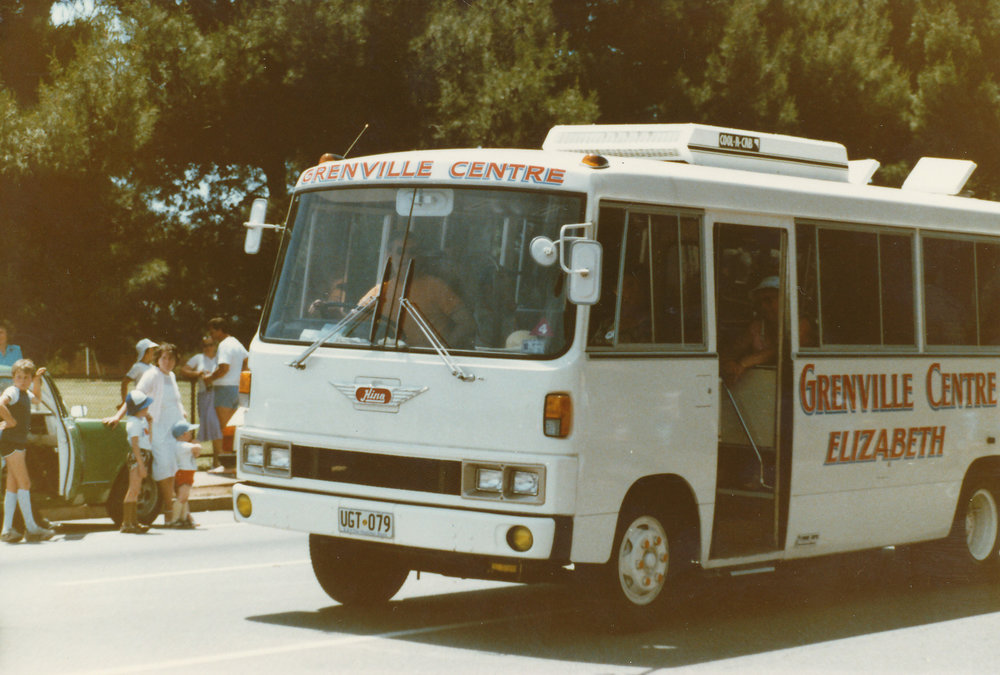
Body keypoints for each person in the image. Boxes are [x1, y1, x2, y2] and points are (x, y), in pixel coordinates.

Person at [106, 343, 187, 526]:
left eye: (171, 358)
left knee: (176, 468)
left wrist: (183, 415)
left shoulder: (172, 376)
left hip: (173, 429)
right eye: (164, 358)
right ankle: (169, 511)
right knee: (164, 468)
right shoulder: (152, 375)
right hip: (157, 429)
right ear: (158, 359)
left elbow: (177, 401)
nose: (168, 362)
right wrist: (118, 416)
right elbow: (135, 396)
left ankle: (181, 514)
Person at [0, 360, 56, 542]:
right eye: (19, 377)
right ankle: (31, 528)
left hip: (17, 443)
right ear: (13, 377)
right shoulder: (13, 391)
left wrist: (37, 380)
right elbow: (0, 404)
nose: (22, 381)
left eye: (26, 378)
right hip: (11, 442)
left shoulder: (25, 392)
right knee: (25, 482)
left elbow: (38, 399)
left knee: (13, 485)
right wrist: (10, 421)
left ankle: (7, 529)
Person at [721, 276, 781, 385]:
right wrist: (729, 364)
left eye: (769, 300)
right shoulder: (757, 327)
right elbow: (733, 351)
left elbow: (781, 349)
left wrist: (745, 363)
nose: (763, 306)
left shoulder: (800, 324)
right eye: (760, 302)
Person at [180, 335, 223, 464]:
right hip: (205, 395)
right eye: (205, 345)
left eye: (210, 345)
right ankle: (199, 459)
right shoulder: (198, 358)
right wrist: (197, 374)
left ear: (215, 346)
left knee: (218, 428)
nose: (208, 348)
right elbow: (184, 370)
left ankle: (217, 460)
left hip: (219, 394)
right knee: (212, 426)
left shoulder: (219, 358)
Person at [204, 317, 248, 439]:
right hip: (236, 389)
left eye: (212, 332)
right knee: (234, 427)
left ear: (220, 330)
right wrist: (239, 375)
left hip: (224, 390)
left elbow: (224, 368)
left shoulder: (224, 345)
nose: (211, 335)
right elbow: (247, 360)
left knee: (225, 429)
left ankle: (226, 457)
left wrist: (209, 378)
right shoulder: (236, 343)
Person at [121, 390, 153, 534]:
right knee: (133, 490)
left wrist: (150, 423)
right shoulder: (133, 423)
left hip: (144, 453)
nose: (147, 409)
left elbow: (148, 440)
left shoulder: (142, 421)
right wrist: (140, 465)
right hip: (137, 455)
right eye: (144, 406)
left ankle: (134, 521)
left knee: (136, 489)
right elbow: (135, 445)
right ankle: (127, 523)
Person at [171, 420, 201, 529]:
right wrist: (196, 443)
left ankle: (183, 519)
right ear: (183, 434)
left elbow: (196, 454)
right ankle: (174, 519)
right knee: (182, 496)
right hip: (184, 472)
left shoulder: (182, 444)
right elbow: (197, 449)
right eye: (189, 432)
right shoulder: (181, 445)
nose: (191, 434)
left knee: (184, 497)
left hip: (187, 472)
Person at [121, 338, 158, 404]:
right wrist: (124, 401)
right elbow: (124, 383)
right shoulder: (138, 366)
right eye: (152, 350)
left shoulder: (152, 367)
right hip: (142, 402)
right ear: (146, 352)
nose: (154, 352)